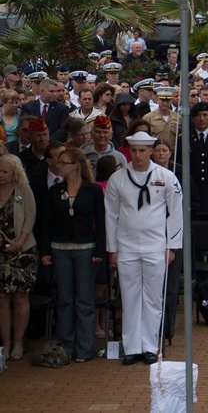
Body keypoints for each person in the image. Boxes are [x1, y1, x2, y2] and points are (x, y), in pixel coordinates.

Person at [105, 131, 183, 365]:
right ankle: (131, 348)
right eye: (134, 151)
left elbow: (176, 213)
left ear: (151, 151)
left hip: (156, 246)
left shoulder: (166, 176)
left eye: (143, 151)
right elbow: (111, 215)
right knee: (129, 298)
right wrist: (112, 248)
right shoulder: (117, 179)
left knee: (152, 297)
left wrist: (171, 246)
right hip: (126, 246)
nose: (138, 156)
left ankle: (150, 346)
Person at [36, 147, 105, 362]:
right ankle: (65, 347)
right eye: (59, 163)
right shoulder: (55, 191)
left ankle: (84, 349)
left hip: (86, 249)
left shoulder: (92, 190)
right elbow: (46, 222)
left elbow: (101, 222)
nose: (59, 166)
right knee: (65, 300)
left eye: (63, 162)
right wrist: (46, 250)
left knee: (84, 300)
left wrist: (99, 250)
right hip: (60, 249)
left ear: (75, 165)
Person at [0, 154, 37, 362]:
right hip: (1, 252)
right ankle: (5, 343)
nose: (1, 175)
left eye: (5, 172)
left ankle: (19, 341)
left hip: (22, 251)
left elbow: (30, 218)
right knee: (2, 297)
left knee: (21, 296)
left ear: (15, 173)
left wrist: (20, 243)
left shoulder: (23, 189)